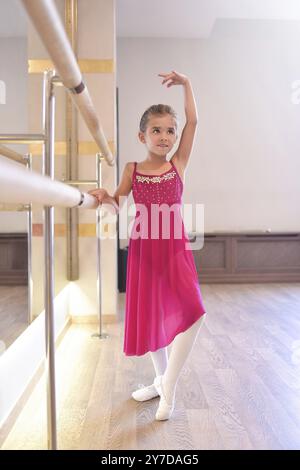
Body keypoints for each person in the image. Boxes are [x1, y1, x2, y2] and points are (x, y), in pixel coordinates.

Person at [88, 71, 206, 421]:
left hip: (174, 249)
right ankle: (159, 382)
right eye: (157, 129)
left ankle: (168, 383)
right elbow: (115, 204)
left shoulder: (177, 164)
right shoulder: (132, 168)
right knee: (154, 316)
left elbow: (194, 120)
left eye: (170, 130)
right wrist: (103, 196)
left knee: (194, 313)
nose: (165, 135)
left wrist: (187, 83)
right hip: (143, 250)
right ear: (143, 135)